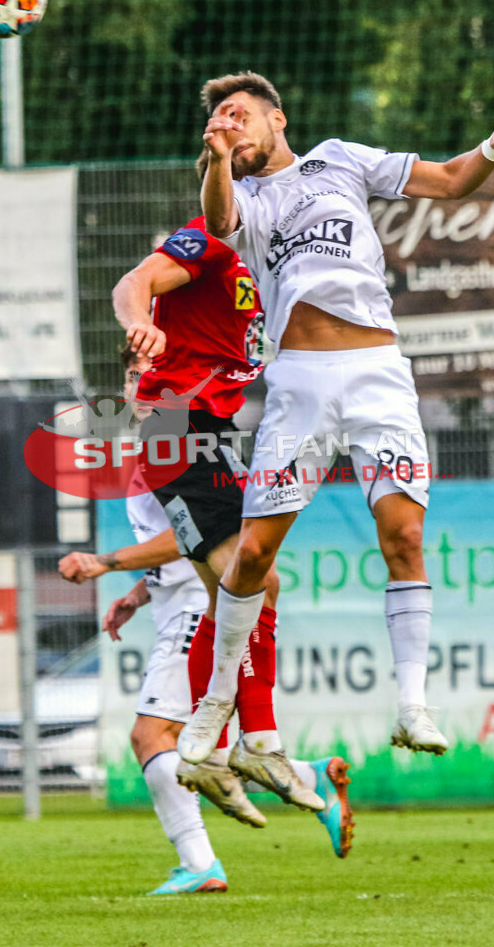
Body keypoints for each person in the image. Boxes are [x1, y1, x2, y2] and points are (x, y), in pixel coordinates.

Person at [177, 71, 494, 767]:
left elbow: (448, 181)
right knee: (253, 555)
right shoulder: (239, 193)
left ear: (277, 118)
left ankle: (413, 707)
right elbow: (220, 222)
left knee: (405, 536)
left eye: (238, 113)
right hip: (301, 383)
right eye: (217, 118)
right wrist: (220, 158)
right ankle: (217, 700)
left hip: (379, 375)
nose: (226, 124)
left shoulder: (339, 159)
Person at [112, 209, 334, 814]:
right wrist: (139, 323)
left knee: (238, 594)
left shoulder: (272, 265)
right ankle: (254, 742)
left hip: (209, 431)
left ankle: (214, 752)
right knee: (253, 579)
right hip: (177, 428)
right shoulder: (213, 241)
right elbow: (134, 281)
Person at [59, 490, 355, 892]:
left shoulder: (167, 455)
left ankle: (199, 864)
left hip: (201, 611)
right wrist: (139, 593)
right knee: (195, 751)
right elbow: (191, 542)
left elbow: (200, 526)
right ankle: (310, 777)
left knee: (152, 737)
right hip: (188, 608)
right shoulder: (151, 462)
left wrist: (104, 562)